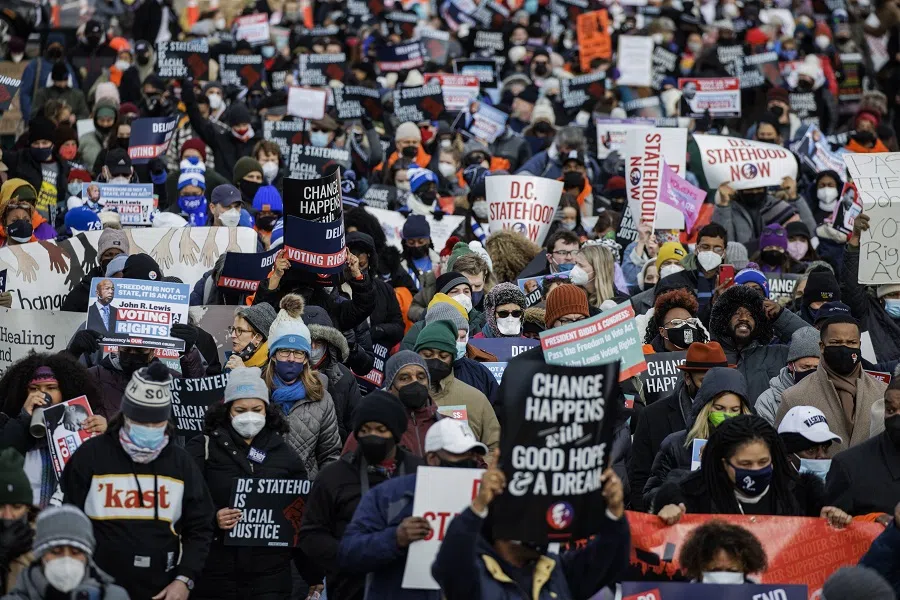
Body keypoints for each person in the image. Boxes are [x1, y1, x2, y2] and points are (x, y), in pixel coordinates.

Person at [61, 362, 215, 600]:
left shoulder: (180, 463)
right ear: (125, 416)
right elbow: (68, 518)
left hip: (161, 589)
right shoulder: (91, 456)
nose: (149, 429)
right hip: (96, 588)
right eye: (141, 422)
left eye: (156, 423)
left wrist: (185, 579)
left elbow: (200, 526)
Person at [185, 367, 317, 600]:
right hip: (215, 574)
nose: (249, 416)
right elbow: (182, 504)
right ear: (227, 411)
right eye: (240, 410)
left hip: (270, 578)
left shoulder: (284, 454)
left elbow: (298, 517)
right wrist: (213, 518)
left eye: (256, 409)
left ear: (267, 410)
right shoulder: (202, 448)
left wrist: (313, 575)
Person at [337, 418, 487, 599]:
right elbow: (349, 553)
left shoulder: (485, 499)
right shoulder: (390, 495)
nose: (469, 461)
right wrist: (395, 538)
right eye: (460, 454)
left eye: (473, 455)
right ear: (433, 458)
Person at [432, 464, 630, 599]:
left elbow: (609, 558)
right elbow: (450, 563)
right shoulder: (474, 576)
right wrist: (478, 507)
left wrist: (614, 513)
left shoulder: (556, 571)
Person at [298, 391, 424, 600]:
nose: (372, 435)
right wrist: (349, 556)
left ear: (397, 431)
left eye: (381, 430)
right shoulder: (333, 476)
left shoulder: (420, 472)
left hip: (409, 587)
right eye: (365, 430)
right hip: (351, 588)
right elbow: (311, 535)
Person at [654, 415, 851, 527]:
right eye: (745, 464)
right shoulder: (690, 497)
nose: (756, 470)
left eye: (763, 462)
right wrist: (668, 516)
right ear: (723, 463)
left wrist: (830, 519)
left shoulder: (803, 495)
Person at [629, 341, 729, 510]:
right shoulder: (652, 417)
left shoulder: (742, 414)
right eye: (704, 381)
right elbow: (639, 480)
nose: (713, 390)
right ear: (687, 378)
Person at [0, 354, 105, 508]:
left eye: (51, 388)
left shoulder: (83, 423)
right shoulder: (8, 425)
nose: (42, 395)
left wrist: (107, 436)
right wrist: (23, 421)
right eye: (33, 389)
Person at [776, 314, 887, 455]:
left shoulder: (882, 393)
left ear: (859, 345)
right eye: (836, 342)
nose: (844, 348)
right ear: (822, 346)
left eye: (851, 342)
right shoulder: (794, 397)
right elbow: (781, 454)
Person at [644, 367, 754, 510]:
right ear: (706, 408)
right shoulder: (675, 444)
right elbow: (649, 496)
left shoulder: (754, 447)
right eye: (719, 408)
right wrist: (692, 480)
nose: (727, 415)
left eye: (734, 410)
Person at [263, 294, 341, 479]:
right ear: (273, 355)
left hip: (305, 492)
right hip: (263, 491)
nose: (291, 358)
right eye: (284, 351)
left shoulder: (321, 397)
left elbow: (330, 454)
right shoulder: (258, 392)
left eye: (298, 353)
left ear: (306, 359)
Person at [3, 505, 130, 600]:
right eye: (56, 552)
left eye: (75, 552)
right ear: (40, 555)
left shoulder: (113, 596)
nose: (66, 560)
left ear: (87, 556)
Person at [709, 284, 807, 402]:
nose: (744, 318)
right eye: (737, 313)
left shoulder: (778, 354)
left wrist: (781, 316)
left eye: (750, 314)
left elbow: (815, 345)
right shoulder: (710, 356)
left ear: (759, 322)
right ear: (724, 319)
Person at [414, 320, 500, 451]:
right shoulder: (400, 395)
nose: (436, 360)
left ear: (452, 358)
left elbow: (494, 447)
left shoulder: (476, 399)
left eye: (443, 356)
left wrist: (479, 468)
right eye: (428, 355)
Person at [823, 377, 900, 516]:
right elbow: (831, 531)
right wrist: (872, 521)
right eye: (891, 410)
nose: (896, 417)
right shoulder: (849, 467)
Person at [343, 351, 440, 457]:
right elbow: (346, 469)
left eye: (421, 377)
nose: (415, 382)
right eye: (405, 378)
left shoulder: (445, 425)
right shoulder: (370, 428)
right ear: (390, 387)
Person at [304, 306, 363, 441]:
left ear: (328, 344)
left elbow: (356, 424)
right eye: (308, 341)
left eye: (318, 342)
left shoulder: (344, 377)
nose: (313, 347)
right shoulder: (288, 373)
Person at [756, 327, 821, 426]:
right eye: (805, 367)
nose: (811, 373)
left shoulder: (832, 394)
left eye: (816, 368)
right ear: (791, 365)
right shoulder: (768, 400)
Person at [61, 228, 129, 313]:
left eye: (118, 256)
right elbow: (67, 315)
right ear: (100, 259)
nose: (113, 260)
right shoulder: (87, 287)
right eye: (109, 255)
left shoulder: (135, 283)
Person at [677, 520, 767, 584]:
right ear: (699, 568)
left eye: (732, 571)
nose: (724, 579)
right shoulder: (682, 595)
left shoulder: (758, 594)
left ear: (745, 569)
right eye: (715, 570)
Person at [0, 448, 36, 595]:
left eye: (17, 507)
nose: (8, 516)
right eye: (0, 506)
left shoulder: (46, 542)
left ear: (28, 508)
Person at [777, 405, 843, 483]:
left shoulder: (838, 489)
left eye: (825, 448)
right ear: (787, 456)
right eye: (811, 450)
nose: (822, 456)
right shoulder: (772, 492)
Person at [642, 289, 707, 353]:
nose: (685, 325)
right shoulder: (647, 357)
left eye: (690, 322)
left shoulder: (705, 355)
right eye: (676, 323)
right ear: (662, 331)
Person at [223, 303, 277, 371]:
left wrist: (243, 373)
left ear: (258, 338)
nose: (232, 335)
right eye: (233, 329)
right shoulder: (231, 363)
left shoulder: (274, 368)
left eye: (240, 330)